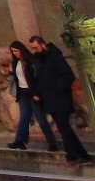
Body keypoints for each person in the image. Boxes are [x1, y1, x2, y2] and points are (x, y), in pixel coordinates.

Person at [29, 35, 93, 164]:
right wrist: (39, 93)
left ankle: (72, 156)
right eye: (32, 48)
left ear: (42, 44)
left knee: (63, 127)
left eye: (35, 47)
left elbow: (68, 76)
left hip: (60, 99)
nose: (34, 50)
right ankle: (82, 155)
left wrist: (56, 89)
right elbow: (40, 80)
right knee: (64, 127)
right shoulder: (39, 60)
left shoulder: (55, 57)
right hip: (50, 100)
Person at [6, 40, 58, 152]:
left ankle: (52, 142)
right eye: (13, 52)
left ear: (21, 50)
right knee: (24, 117)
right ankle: (19, 141)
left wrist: (37, 93)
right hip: (23, 93)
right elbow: (17, 77)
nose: (14, 53)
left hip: (32, 92)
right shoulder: (16, 63)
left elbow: (37, 78)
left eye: (16, 51)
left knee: (41, 119)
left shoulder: (30, 61)